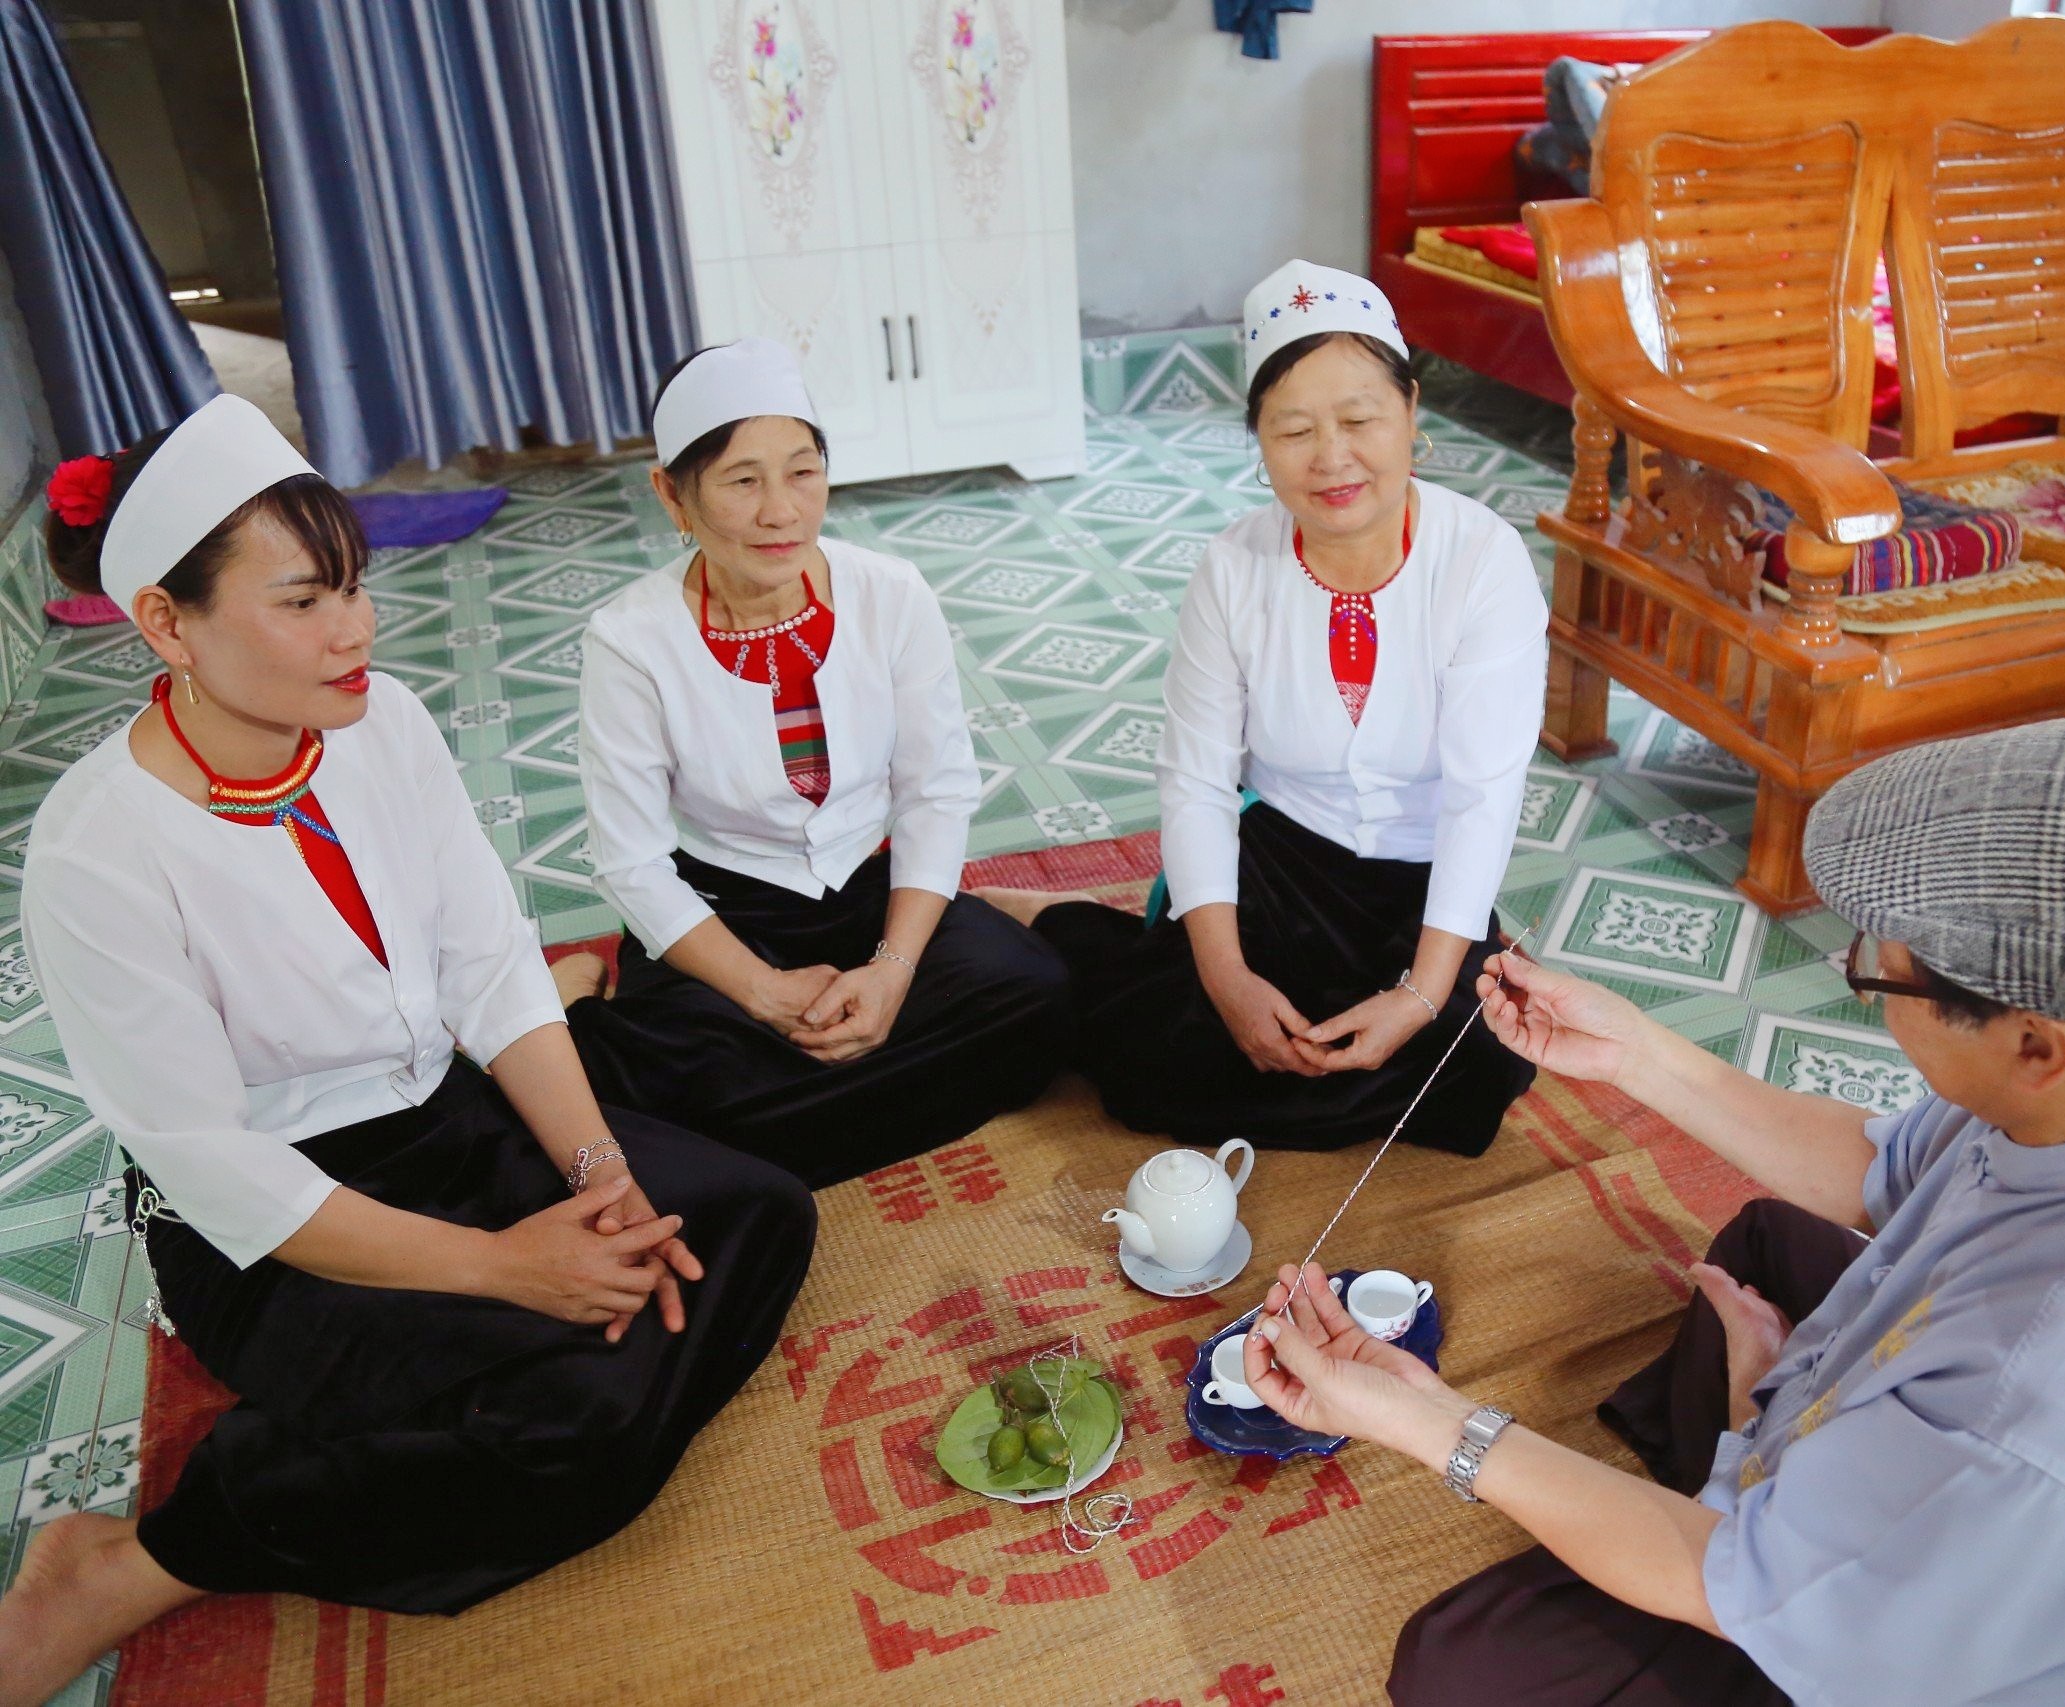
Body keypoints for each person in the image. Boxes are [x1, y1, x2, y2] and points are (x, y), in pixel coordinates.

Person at [1238, 719, 2065, 1706]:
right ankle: (1773, 1445)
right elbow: (1880, 1169)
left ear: (2036, 1048)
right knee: (1765, 1242)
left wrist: (1422, 1418)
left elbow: (1733, 1579)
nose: (1869, 982)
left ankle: (1765, 1465)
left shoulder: (2041, 1411)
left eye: (1879, 976)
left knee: (1463, 1666)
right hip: (1988, 1485)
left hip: (1951, 1651)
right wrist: (1637, 1053)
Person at [0, 396, 816, 1706]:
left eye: (358, 587)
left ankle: (410, 1418)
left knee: (755, 1215)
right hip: (270, 1218)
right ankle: (137, 1560)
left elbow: (490, 967)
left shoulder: (387, 727)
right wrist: (507, 1264)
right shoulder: (97, 852)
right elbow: (214, 1162)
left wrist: (598, 1174)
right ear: (167, 622)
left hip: (441, 1116)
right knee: (577, 1415)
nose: (357, 629)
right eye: (305, 601)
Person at [979, 262, 1547, 1158]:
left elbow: (1484, 796)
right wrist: (1227, 976)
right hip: (1286, 857)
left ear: (1411, 411)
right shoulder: (1234, 567)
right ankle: (1059, 920)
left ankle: (1401, 1014)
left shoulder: (1482, 560)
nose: (1332, 457)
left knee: (1472, 1072)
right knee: (1159, 1056)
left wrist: (1421, 993)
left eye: (1360, 419)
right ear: (1259, 442)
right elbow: (1197, 780)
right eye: (1293, 429)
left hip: (1423, 874)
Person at [562, 339, 1072, 1188]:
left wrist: (892, 973)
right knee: (674, 1091)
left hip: (867, 893)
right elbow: (632, 862)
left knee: (1036, 996)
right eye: (741, 481)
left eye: (803, 472)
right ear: (672, 495)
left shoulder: (891, 592)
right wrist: (765, 992)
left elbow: (935, 792)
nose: (781, 512)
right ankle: (583, 992)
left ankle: (815, 1097)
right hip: (725, 913)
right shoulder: (630, 640)